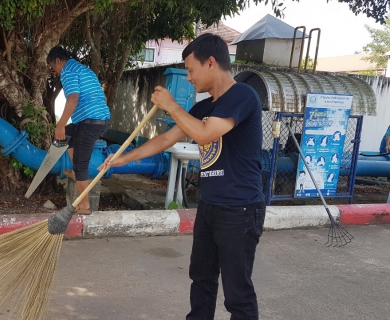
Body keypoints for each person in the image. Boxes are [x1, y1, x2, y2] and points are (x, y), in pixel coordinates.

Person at [99, 33, 265, 320]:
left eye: (190, 70)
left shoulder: (242, 96)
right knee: (201, 279)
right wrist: (122, 159)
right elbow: (165, 140)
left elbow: (203, 134)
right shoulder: (203, 107)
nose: (188, 77)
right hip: (211, 205)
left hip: (240, 208)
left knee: (237, 293)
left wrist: (172, 106)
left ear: (211, 62)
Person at [47, 46, 111, 214]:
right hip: (100, 120)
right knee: (68, 134)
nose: (54, 72)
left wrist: (60, 125)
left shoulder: (67, 71)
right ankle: (77, 172)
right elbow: (102, 97)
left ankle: (84, 207)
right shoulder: (84, 70)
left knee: (81, 164)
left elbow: (73, 97)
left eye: (53, 67)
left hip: (89, 123)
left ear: (58, 61)